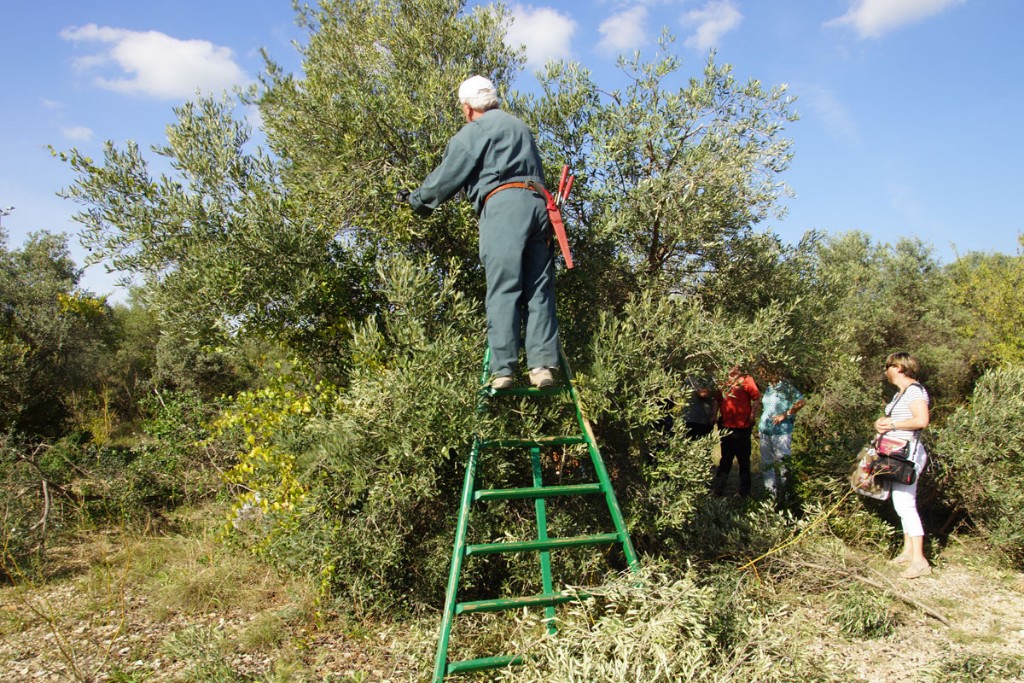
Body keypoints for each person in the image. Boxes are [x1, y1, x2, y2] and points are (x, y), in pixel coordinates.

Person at [399, 75, 559, 390]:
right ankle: (542, 369)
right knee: (539, 291)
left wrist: (416, 200)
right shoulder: (520, 127)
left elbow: (447, 176)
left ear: (469, 107)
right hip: (541, 208)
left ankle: (503, 371)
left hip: (504, 208)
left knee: (504, 288)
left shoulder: (475, 131)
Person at [874, 352, 931, 579]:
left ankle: (920, 560)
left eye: (887, 367)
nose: (885, 372)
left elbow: (921, 420)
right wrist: (882, 423)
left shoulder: (915, 391)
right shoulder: (902, 393)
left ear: (898, 367)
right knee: (901, 503)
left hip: (909, 456)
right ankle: (908, 552)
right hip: (897, 454)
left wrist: (893, 423)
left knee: (906, 504)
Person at [757, 368, 806, 501]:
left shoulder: (785, 387)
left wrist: (786, 414)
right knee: (767, 463)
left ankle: (787, 496)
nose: (761, 375)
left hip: (781, 431)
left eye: (763, 372)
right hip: (765, 430)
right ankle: (770, 496)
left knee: (784, 463)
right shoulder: (769, 388)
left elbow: (801, 401)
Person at [712, 365, 760, 497]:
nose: (733, 367)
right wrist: (714, 415)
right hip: (726, 426)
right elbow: (717, 399)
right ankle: (718, 489)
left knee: (743, 460)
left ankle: (744, 492)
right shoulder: (722, 380)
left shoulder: (747, 379)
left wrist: (752, 416)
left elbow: (756, 398)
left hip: (742, 428)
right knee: (725, 459)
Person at [682, 375, 718, 440]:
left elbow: (714, 399)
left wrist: (714, 415)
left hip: (705, 419)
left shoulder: (711, 378)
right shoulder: (689, 377)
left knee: (704, 446)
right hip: (689, 418)